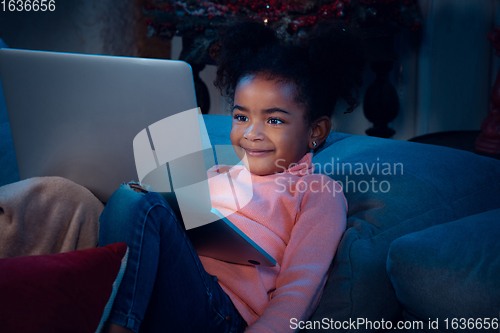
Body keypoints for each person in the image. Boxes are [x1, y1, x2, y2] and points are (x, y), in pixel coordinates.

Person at [100, 19, 364, 333]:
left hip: (223, 314)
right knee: (120, 198)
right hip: (167, 290)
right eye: (241, 116)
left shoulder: (317, 191)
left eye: (275, 121)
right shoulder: (216, 173)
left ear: (315, 132)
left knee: (137, 202)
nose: (252, 133)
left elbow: (301, 285)